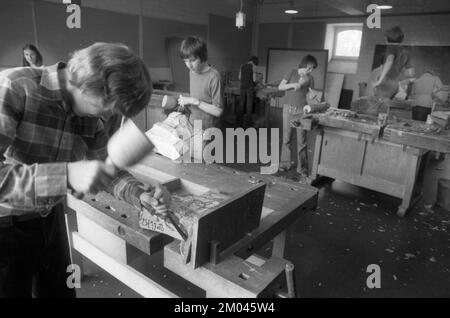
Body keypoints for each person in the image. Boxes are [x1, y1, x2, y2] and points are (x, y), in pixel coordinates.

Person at [0, 42, 170, 298]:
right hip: (5, 230)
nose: (110, 113)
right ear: (88, 80)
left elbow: (108, 171)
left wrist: (140, 195)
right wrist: (66, 175)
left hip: (51, 219)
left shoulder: (91, 116)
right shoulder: (15, 87)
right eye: (108, 104)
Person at [278, 55, 317, 178]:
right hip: (288, 110)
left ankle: (302, 168)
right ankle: (284, 164)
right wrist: (293, 85)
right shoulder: (292, 72)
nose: (310, 71)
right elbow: (280, 86)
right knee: (286, 139)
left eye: (312, 69)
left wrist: (313, 96)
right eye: (309, 68)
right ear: (303, 64)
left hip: (301, 111)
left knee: (302, 141)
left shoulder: (310, 78)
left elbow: (310, 93)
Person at [178, 36, 223, 132]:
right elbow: (197, 96)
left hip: (208, 128)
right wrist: (187, 103)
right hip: (194, 123)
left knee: (203, 147)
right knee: (193, 147)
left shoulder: (214, 77)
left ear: (202, 56)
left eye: (192, 60)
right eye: (185, 61)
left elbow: (218, 111)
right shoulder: (192, 71)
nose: (189, 65)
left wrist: (195, 101)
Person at [373, 26, 414, 98]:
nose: (385, 39)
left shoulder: (391, 47)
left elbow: (389, 62)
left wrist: (380, 80)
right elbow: (410, 73)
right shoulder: (406, 52)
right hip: (394, 82)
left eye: (385, 37)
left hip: (386, 80)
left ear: (389, 37)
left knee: (377, 103)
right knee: (385, 104)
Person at [238, 56, 259, 128]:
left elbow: (239, 78)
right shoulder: (254, 67)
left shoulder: (242, 65)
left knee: (241, 104)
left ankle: (239, 123)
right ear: (254, 62)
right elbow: (254, 80)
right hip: (250, 87)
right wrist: (258, 81)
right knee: (249, 105)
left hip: (242, 86)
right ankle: (248, 124)